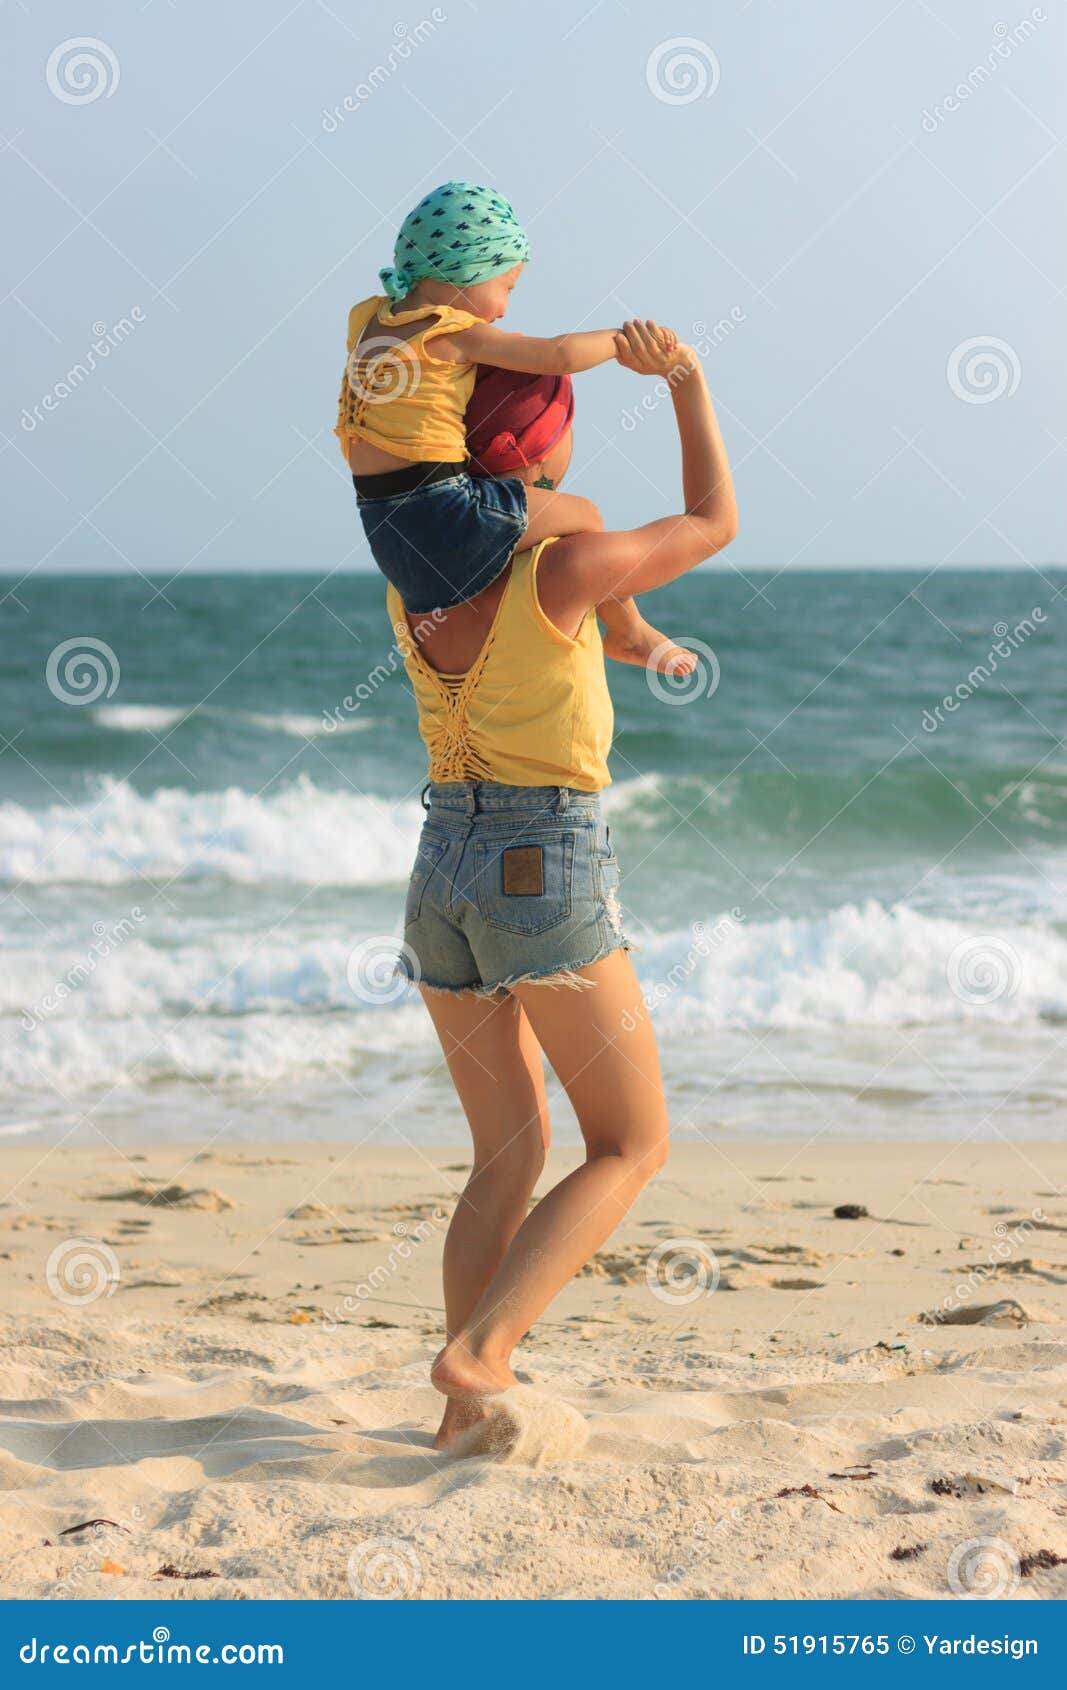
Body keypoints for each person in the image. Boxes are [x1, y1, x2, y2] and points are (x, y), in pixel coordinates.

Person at [389, 320, 738, 1449]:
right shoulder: (567, 564)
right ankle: (481, 1352)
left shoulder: (418, 583)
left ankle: (458, 1415)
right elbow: (711, 522)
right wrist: (685, 381)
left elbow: (569, 629)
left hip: (441, 859)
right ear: (544, 455)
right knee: (631, 1141)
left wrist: (649, 647)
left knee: (505, 1152)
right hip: (541, 858)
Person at [336, 180, 691, 673]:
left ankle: (627, 630)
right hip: (444, 519)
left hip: (387, 536)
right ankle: (629, 631)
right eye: (506, 287)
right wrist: (621, 340)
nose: (504, 308)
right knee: (584, 515)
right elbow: (557, 354)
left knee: (558, 523)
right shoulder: (450, 333)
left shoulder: (369, 321)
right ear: (471, 268)